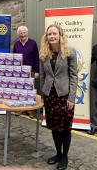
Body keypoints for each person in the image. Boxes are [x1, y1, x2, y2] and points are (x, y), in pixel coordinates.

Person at [39, 24, 77, 170]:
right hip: (50, 96)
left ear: (60, 35)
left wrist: (71, 98)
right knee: (55, 128)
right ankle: (58, 153)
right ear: (46, 37)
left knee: (65, 128)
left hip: (64, 96)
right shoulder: (44, 53)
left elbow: (74, 76)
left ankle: (65, 156)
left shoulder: (69, 52)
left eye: (54, 34)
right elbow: (42, 76)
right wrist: (43, 95)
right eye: (49, 34)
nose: (52, 36)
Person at [13, 25, 39, 117]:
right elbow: (14, 58)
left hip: (30, 71)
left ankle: (29, 110)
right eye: (20, 33)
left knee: (30, 90)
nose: (22, 34)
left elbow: (36, 58)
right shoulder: (16, 44)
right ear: (18, 34)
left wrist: (37, 71)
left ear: (27, 33)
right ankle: (21, 108)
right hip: (19, 71)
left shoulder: (33, 43)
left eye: (24, 32)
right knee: (20, 90)